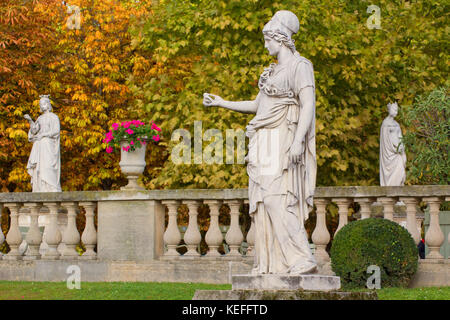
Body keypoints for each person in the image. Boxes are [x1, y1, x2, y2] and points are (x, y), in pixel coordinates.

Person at [203, 10, 317, 274]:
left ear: (280, 38)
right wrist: (222, 102)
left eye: (268, 39)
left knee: (279, 198)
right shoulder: (272, 71)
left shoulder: (300, 66)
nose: (265, 45)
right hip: (263, 139)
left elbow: (308, 104)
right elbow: (258, 105)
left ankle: (301, 258)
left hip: (284, 136)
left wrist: (299, 140)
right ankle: (270, 263)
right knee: (264, 202)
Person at [24, 95, 62, 192]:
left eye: (44, 103)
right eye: (41, 104)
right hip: (39, 145)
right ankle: (40, 187)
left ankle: (51, 186)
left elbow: (56, 131)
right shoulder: (40, 118)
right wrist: (30, 120)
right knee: (39, 167)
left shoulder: (54, 117)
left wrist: (44, 135)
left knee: (48, 166)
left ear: (48, 105)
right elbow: (34, 130)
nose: (42, 106)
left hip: (48, 145)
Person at [380, 102, 406, 186]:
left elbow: (400, 137)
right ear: (389, 110)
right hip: (390, 152)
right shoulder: (385, 124)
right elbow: (385, 140)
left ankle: (398, 194)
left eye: (397, 110)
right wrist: (394, 148)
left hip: (398, 152)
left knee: (401, 170)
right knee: (391, 172)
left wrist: (401, 146)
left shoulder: (396, 124)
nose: (396, 112)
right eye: (394, 109)